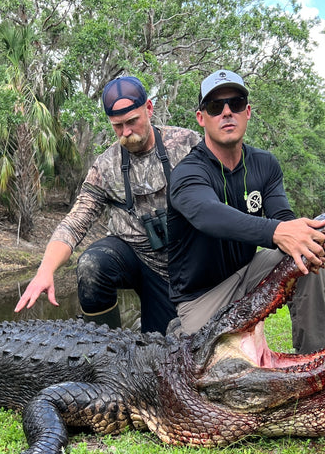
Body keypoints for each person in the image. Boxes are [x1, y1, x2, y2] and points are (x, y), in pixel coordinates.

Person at [15, 76, 201, 334]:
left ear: (149, 108)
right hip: (135, 257)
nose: (126, 132)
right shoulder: (105, 165)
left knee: (168, 344)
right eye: (118, 126)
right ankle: (104, 349)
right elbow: (75, 222)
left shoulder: (188, 143)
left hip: (185, 263)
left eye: (132, 121)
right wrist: (45, 270)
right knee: (92, 265)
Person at [167, 69, 325, 353]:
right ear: (201, 118)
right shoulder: (188, 173)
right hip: (202, 298)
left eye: (236, 103)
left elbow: (283, 218)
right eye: (216, 106)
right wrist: (277, 232)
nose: (227, 112)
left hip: (248, 273)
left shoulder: (265, 164)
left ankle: (314, 360)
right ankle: (180, 331)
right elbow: (208, 214)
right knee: (218, 373)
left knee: (307, 253)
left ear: (248, 111)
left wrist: (301, 234)